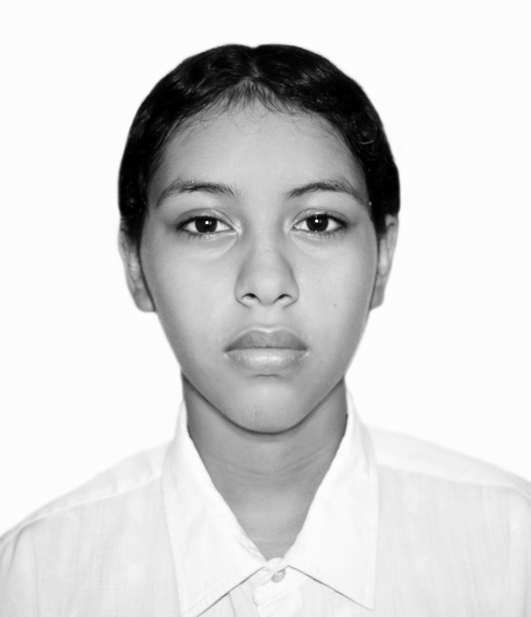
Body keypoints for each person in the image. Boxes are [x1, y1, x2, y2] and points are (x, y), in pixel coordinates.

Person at [0, 44, 529, 616]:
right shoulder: (32, 579)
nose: (267, 281)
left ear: (382, 257)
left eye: (318, 222)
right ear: (135, 264)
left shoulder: (513, 549)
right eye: (206, 224)